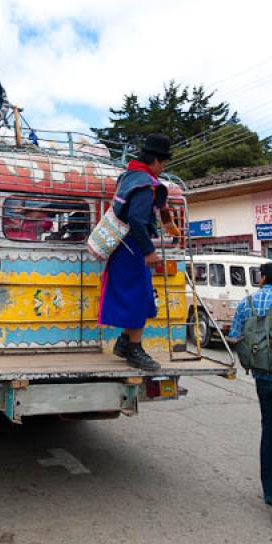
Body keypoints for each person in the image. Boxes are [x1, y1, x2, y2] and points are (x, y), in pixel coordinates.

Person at [98, 133, 172, 372]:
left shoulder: (128, 176)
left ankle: (124, 342)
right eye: (163, 164)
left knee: (138, 296)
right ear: (156, 161)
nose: (163, 168)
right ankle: (134, 348)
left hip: (123, 246)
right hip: (133, 247)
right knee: (140, 297)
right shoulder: (145, 184)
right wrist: (149, 251)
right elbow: (136, 220)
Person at [228, 262, 272, 520]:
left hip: (263, 376)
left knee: (270, 431)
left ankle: (271, 493)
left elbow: (235, 336)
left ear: (264, 279)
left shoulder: (247, 302)